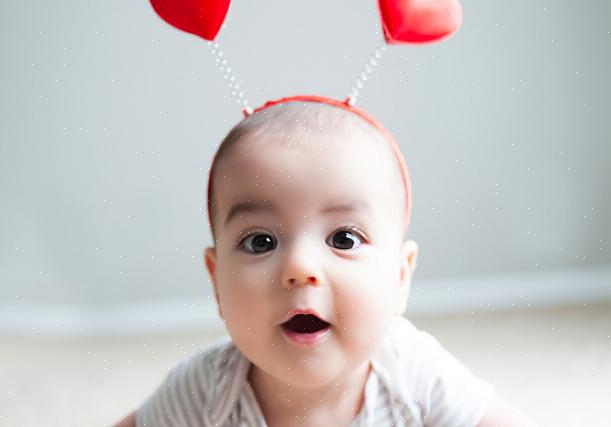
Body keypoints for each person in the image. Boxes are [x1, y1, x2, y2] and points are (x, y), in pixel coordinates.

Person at [114, 97, 535, 427]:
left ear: (400, 276)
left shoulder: (416, 376)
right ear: (216, 280)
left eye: (344, 238)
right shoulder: (204, 390)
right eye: (260, 241)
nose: (300, 267)